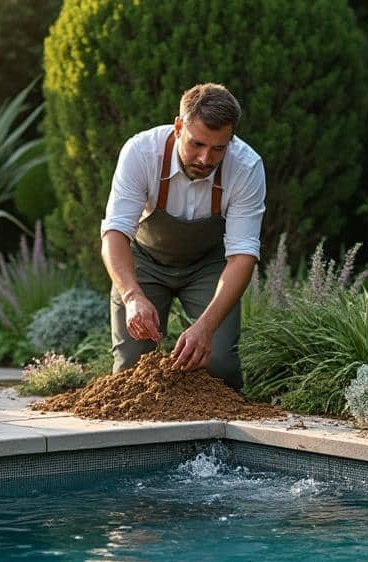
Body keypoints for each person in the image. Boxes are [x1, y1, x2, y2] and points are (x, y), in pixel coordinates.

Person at [100, 83, 266, 390]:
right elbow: (115, 233)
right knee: (131, 372)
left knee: (218, 362)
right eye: (197, 144)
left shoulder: (246, 167)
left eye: (218, 148)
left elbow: (243, 255)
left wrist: (206, 327)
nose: (205, 159)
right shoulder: (141, 153)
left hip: (209, 266)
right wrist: (132, 296)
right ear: (178, 127)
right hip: (145, 262)